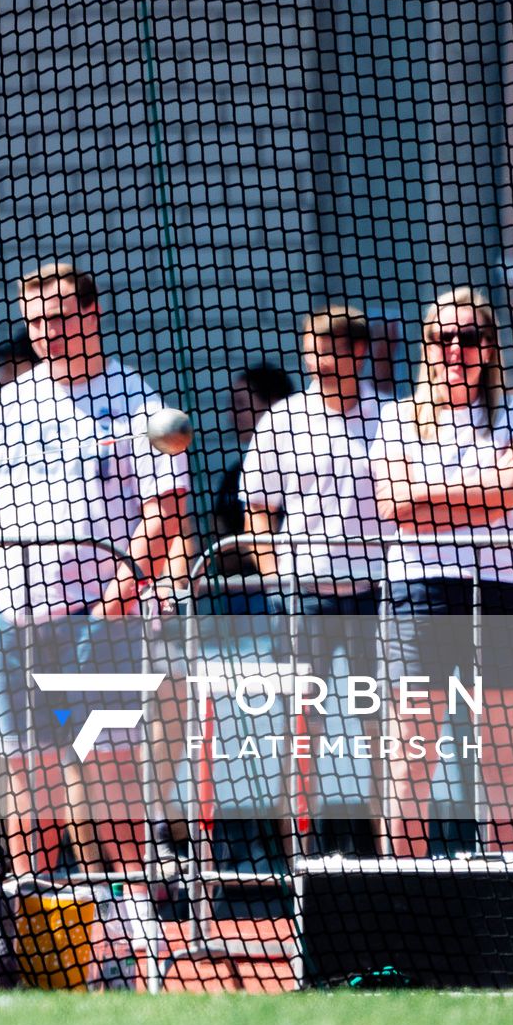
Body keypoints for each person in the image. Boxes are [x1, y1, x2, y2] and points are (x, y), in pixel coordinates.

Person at [0, 263, 191, 877]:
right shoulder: (7, 407)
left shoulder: (139, 403)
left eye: (59, 318)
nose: (46, 333)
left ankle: (137, 916)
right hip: (14, 619)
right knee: (25, 767)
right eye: (35, 321)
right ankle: (34, 901)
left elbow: (166, 512)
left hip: (100, 619)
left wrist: (118, 597)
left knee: (108, 766)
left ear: (92, 314)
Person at [369, 287, 513, 858]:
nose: (455, 349)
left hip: (502, 591)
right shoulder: (398, 417)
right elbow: (395, 504)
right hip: (419, 593)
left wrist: (434, 503)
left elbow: (507, 494)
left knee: (503, 748)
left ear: (490, 347)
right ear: (425, 347)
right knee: (413, 747)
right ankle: (405, 898)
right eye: (442, 337)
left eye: (468, 337)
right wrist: (476, 498)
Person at [240, 305, 385, 853]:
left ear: (358, 352)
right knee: (300, 729)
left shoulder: (392, 417)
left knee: (382, 730)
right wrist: (278, 574)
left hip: (378, 595)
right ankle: (301, 861)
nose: (318, 360)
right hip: (304, 598)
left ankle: (386, 855)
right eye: (313, 350)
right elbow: (257, 510)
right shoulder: (282, 421)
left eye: (330, 350)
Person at [214, 361, 294, 557]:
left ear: (274, 403)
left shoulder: (299, 466)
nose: (232, 414)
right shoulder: (234, 475)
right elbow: (218, 544)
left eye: (240, 404)